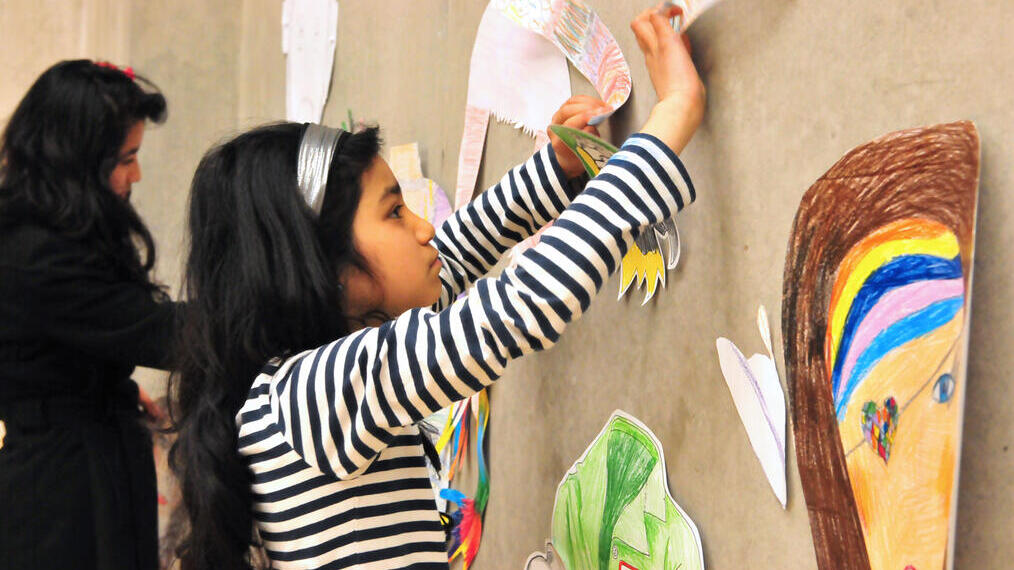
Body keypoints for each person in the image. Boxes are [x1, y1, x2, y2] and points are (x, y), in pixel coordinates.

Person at [170, 5, 704, 569]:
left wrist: (557, 169)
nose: (424, 227)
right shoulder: (315, 393)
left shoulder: (298, 388)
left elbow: (452, 253)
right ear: (326, 268)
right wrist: (674, 115)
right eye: (395, 212)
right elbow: (517, 306)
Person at [0, 60, 179, 569]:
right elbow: (157, 332)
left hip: (92, 455)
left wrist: (99, 386)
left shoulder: (55, 227)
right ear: (75, 160)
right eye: (127, 158)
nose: (135, 175)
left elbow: (78, 338)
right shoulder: (34, 252)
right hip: (61, 488)